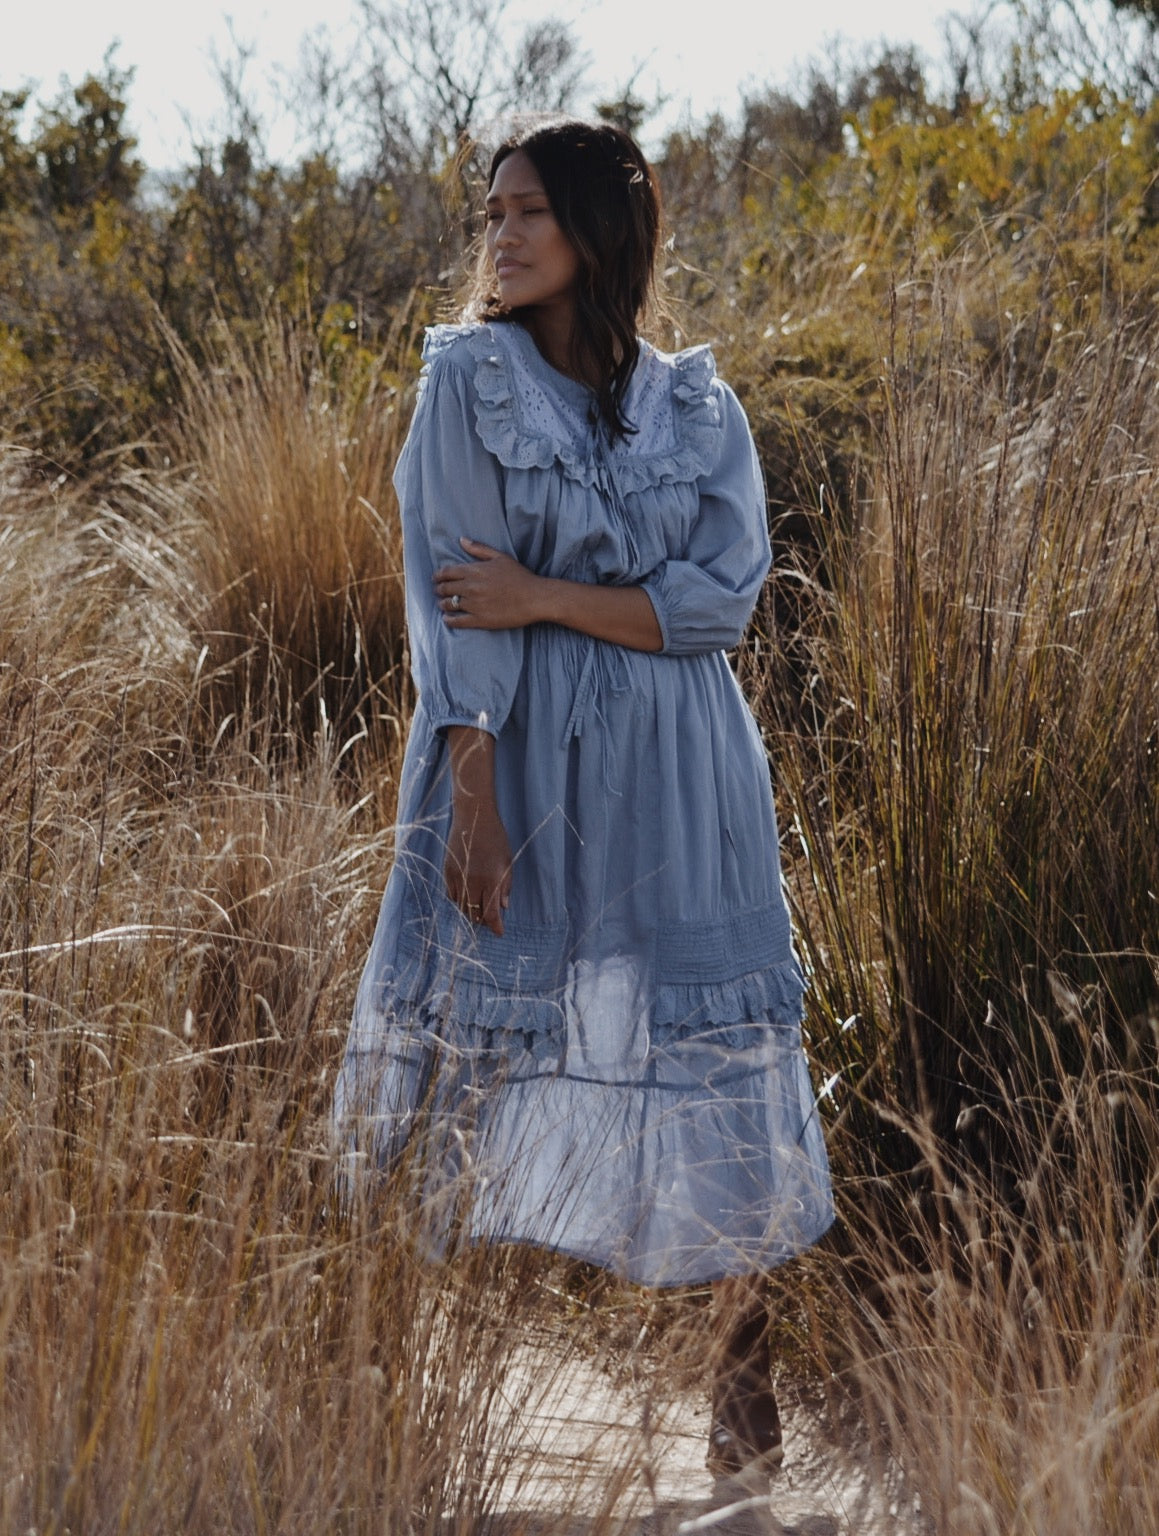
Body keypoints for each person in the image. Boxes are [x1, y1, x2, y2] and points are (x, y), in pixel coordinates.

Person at [334, 118, 833, 1477]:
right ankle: (440, 1401)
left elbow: (718, 607)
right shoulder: (468, 381)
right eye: (488, 213)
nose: (497, 238)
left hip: (687, 771)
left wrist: (549, 593)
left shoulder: (697, 406)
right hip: (523, 753)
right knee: (493, 1044)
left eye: (527, 213)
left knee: (710, 1047)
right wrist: (474, 792)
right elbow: (455, 609)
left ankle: (744, 1389)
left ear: (599, 232)